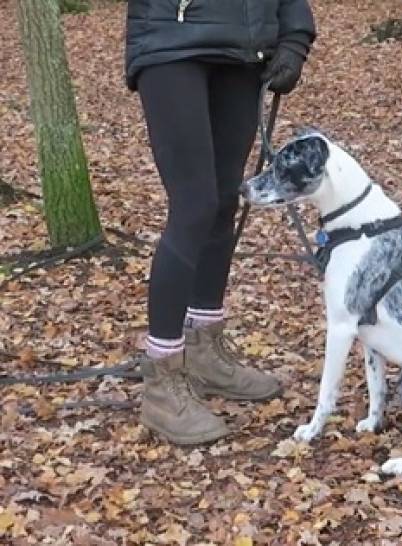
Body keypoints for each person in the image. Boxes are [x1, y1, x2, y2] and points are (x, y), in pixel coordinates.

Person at [124, 1, 316, 445]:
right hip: (171, 45)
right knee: (193, 205)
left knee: (223, 201)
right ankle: (162, 381)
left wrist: (294, 37)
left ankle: (205, 351)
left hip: (243, 52)